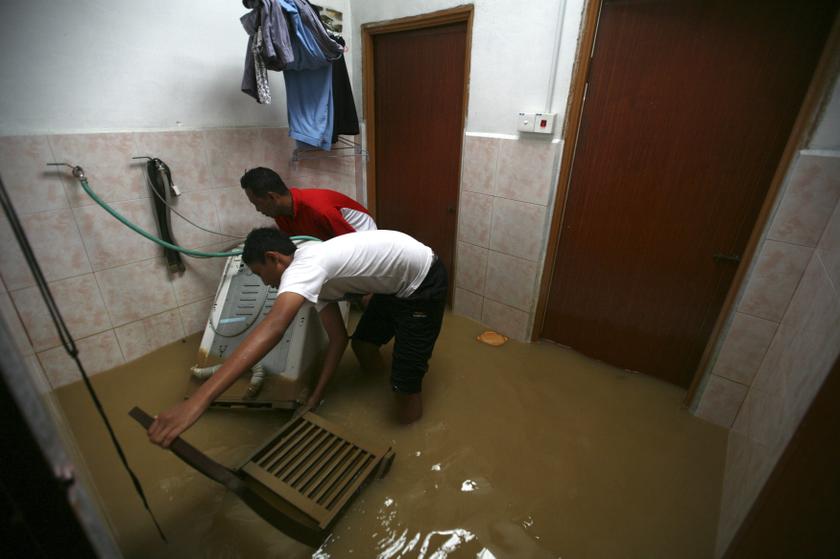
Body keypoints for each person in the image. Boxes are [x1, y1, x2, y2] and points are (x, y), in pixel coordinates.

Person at [148, 227, 447, 448]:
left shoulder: (305, 268)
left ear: (273, 258)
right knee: (362, 344)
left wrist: (199, 400)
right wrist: (316, 397)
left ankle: (412, 441)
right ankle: (382, 385)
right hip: (394, 285)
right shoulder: (310, 274)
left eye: (259, 273)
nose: (263, 282)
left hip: (423, 281)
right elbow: (339, 339)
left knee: (405, 384)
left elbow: (273, 327)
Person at [241, 167, 375, 240]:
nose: (257, 209)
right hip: (333, 239)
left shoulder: (319, 209)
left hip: (361, 235)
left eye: (257, 204)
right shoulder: (281, 214)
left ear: (272, 197)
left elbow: (353, 247)